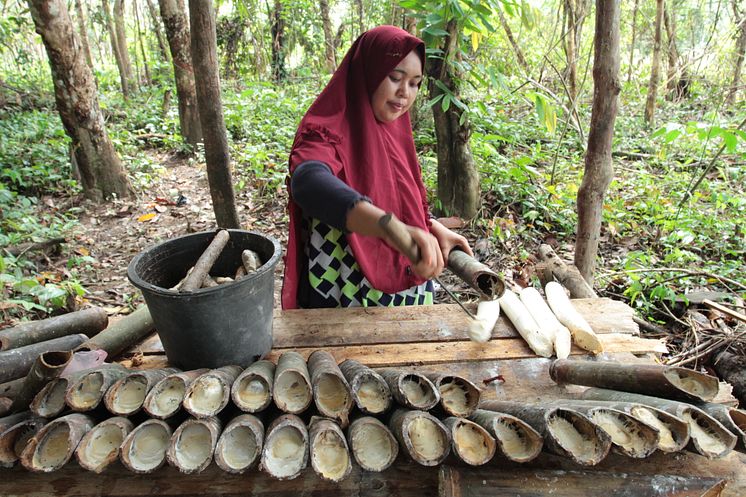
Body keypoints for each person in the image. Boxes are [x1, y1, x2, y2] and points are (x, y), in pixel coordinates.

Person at [282, 25, 473, 310]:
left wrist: (429, 225)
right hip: (344, 286)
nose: (404, 93)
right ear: (367, 73)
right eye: (395, 77)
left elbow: (393, 192)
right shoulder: (327, 128)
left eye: (415, 83)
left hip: (404, 285)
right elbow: (308, 182)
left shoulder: (394, 128)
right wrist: (388, 227)